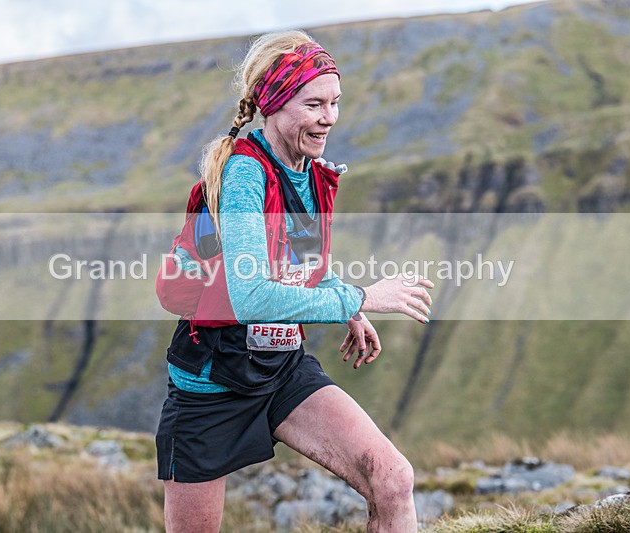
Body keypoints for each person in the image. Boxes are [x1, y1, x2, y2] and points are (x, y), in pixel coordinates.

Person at [155, 30, 434, 533]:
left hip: (281, 369)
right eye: (314, 104)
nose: (329, 117)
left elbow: (305, 260)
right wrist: (364, 296)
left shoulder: (305, 170)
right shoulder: (245, 177)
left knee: (393, 480)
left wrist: (347, 305)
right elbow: (250, 295)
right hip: (212, 384)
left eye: (335, 102)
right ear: (274, 103)